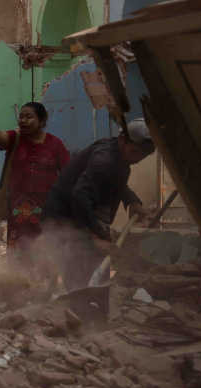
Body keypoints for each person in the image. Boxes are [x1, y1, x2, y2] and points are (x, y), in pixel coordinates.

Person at [44, 119, 155, 289]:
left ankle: (94, 297)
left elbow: (114, 181)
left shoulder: (118, 154)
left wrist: (132, 201)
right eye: (135, 152)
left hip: (83, 213)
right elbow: (80, 196)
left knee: (97, 262)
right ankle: (77, 305)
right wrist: (93, 236)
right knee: (79, 265)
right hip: (65, 215)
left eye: (142, 155)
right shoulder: (104, 161)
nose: (138, 159)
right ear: (122, 139)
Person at [0, 102, 70, 253]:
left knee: (45, 251)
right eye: (21, 117)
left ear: (42, 121)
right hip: (18, 210)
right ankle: (17, 276)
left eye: (29, 117)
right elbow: (1, 136)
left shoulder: (55, 144)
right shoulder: (16, 138)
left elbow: (67, 173)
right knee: (19, 251)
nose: (23, 120)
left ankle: (44, 277)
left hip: (47, 210)